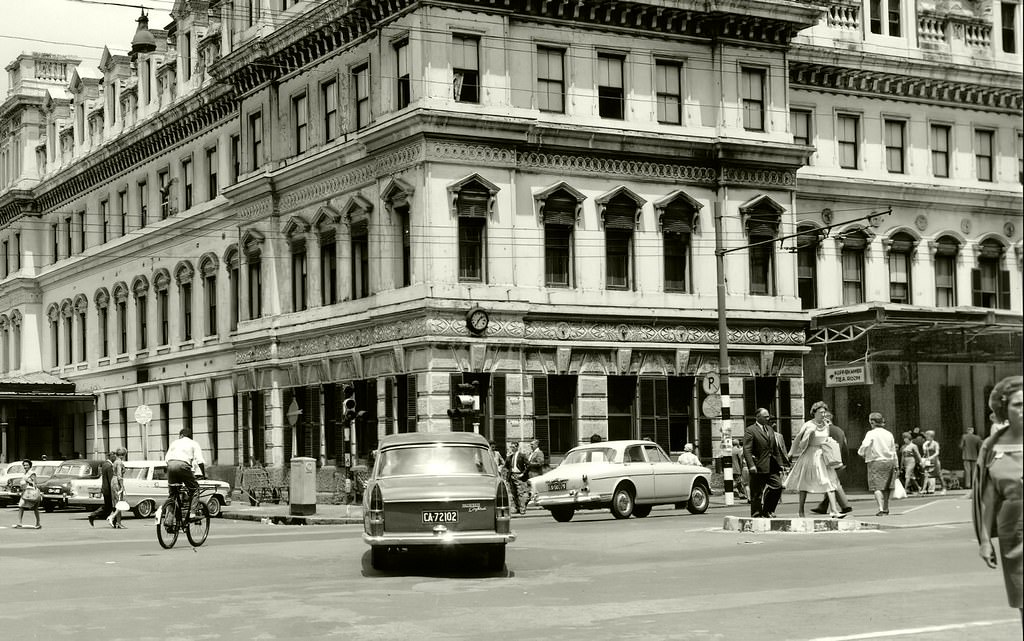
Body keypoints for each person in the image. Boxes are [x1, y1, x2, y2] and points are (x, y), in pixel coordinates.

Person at [972, 375, 1023, 624]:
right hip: (1013, 531)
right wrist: (984, 541)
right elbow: (987, 498)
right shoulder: (992, 445)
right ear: (1005, 408)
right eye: (1018, 405)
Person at [785, 401, 844, 518]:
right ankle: (801, 510)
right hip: (810, 455)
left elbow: (827, 439)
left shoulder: (826, 425)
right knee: (804, 483)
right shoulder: (808, 425)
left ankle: (834, 510)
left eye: (824, 412)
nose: (823, 415)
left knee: (829, 481)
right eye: (821, 412)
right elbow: (799, 441)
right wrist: (791, 453)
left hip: (823, 456)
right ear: (814, 413)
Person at [743, 408, 789, 518]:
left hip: (772, 465)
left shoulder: (770, 429)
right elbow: (747, 449)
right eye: (765, 417)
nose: (768, 419)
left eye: (768, 416)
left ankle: (768, 510)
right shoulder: (750, 430)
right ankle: (756, 515)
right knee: (756, 493)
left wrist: (780, 463)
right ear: (757, 417)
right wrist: (751, 465)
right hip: (758, 466)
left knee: (777, 486)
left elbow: (775, 448)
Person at [811, 411, 853, 515]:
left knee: (833, 483)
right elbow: (845, 446)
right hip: (839, 461)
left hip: (828, 460)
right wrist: (846, 461)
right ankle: (823, 506)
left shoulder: (824, 430)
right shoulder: (839, 430)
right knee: (831, 483)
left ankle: (845, 505)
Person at [858, 413, 898, 516]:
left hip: (875, 461)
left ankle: (881, 508)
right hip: (889, 461)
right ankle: (886, 508)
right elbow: (893, 449)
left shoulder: (871, 433)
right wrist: (896, 464)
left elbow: (865, 445)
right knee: (886, 486)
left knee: (877, 487)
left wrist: (861, 453)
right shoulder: (889, 434)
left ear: (873, 422)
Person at [165, 427, 207, 517]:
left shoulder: (174, 443)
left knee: (173, 494)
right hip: (183, 466)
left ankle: (169, 519)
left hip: (170, 465)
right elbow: (200, 461)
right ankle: (192, 513)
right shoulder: (194, 443)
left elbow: (167, 458)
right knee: (195, 489)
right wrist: (203, 474)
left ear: (181, 435)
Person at [88, 451, 116, 527]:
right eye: (114, 456)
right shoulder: (109, 466)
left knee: (109, 506)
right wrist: (114, 490)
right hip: (108, 490)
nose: (115, 458)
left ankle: (113, 521)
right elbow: (111, 479)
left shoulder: (105, 464)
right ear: (111, 456)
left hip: (105, 488)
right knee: (110, 506)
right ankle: (93, 515)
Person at [13, 460, 42, 529]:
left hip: (31, 493)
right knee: (21, 506)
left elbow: (35, 483)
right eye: (24, 465)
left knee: (35, 508)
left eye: (27, 465)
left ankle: (38, 523)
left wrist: (28, 481)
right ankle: (19, 523)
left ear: (30, 466)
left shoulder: (32, 473)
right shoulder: (25, 473)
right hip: (25, 493)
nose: (25, 466)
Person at [920, 430, 946, 495]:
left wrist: (931, 457)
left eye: (927, 436)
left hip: (935, 461)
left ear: (931, 436)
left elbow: (937, 452)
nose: (926, 437)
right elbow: (925, 453)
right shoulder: (926, 443)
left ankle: (944, 488)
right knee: (927, 475)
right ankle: (924, 489)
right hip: (928, 462)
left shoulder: (935, 443)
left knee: (939, 475)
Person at [108, 447, 127, 528]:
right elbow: (119, 475)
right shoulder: (119, 462)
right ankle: (112, 517)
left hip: (113, 480)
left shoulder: (115, 462)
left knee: (117, 503)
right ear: (122, 455)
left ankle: (118, 522)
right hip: (117, 482)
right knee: (120, 502)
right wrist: (122, 486)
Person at [506, 441, 527, 514]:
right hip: (512, 475)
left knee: (520, 493)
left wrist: (523, 474)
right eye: (511, 447)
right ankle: (516, 508)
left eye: (513, 447)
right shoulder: (510, 456)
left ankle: (522, 508)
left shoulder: (522, 456)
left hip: (519, 475)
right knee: (513, 493)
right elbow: (506, 466)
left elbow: (528, 465)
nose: (512, 449)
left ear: (517, 447)